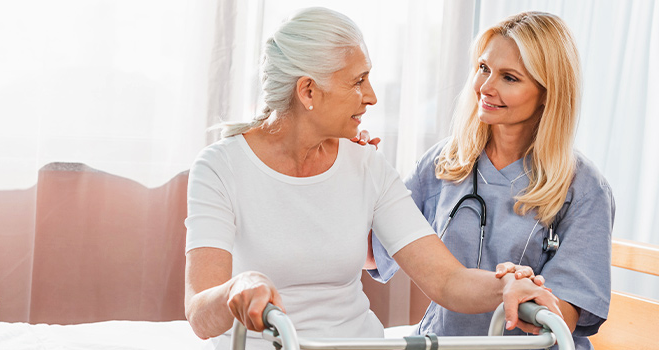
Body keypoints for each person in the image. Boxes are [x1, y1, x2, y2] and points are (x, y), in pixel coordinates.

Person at [183, 7, 561, 350]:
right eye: (358, 81)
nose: (372, 97)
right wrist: (237, 287)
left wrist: (507, 286)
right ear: (308, 90)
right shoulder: (221, 167)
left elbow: (446, 281)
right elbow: (200, 315)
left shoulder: (366, 164)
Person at [366, 11, 615, 350]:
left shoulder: (582, 189)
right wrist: (355, 175)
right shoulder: (446, 162)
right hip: (444, 342)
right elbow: (373, 252)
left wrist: (521, 288)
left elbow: (562, 318)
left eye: (509, 78)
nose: (485, 87)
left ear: (547, 92)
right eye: (483, 68)